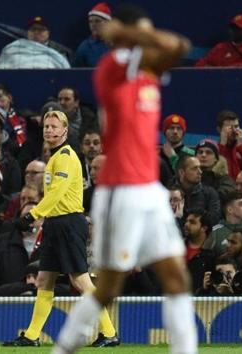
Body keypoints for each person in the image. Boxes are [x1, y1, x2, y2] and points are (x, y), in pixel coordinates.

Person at [53, 5, 196, 354]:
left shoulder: (149, 71)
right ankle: (63, 349)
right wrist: (132, 32)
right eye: (143, 34)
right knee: (108, 287)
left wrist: (136, 31)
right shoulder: (112, 69)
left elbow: (180, 47)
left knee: (177, 278)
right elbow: (154, 42)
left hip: (150, 191)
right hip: (120, 192)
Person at [3, 110, 118, 348]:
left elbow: (56, 193)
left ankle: (109, 332)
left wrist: (33, 214)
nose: (49, 130)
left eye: (55, 127)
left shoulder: (65, 156)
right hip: (56, 224)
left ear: (65, 130)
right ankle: (32, 336)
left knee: (81, 282)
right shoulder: (55, 157)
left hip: (68, 223)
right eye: (46, 126)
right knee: (44, 280)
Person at [0, 17, 71, 69]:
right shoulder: (13, 47)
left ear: (48, 34)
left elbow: (65, 72)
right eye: (33, 29)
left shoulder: (58, 51)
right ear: (27, 32)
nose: (36, 32)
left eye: (41, 30)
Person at [74, 2, 112, 67]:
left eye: (97, 21)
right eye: (90, 22)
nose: (93, 25)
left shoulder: (120, 44)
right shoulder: (84, 48)